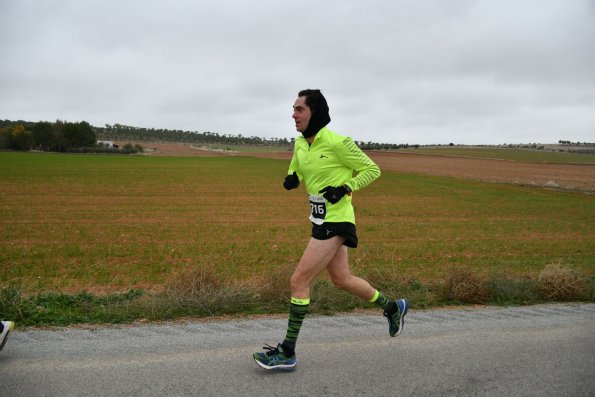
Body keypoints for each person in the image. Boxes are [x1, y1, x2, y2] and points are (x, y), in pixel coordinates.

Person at [253, 89, 408, 371]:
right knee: (342, 279)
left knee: (298, 280)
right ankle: (392, 307)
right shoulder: (301, 143)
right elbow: (298, 163)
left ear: (315, 113)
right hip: (319, 219)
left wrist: (346, 187)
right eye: (293, 109)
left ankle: (287, 352)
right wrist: (292, 177)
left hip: (337, 220)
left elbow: (372, 170)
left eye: (299, 109)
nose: (293, 114)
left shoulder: (339, 143)